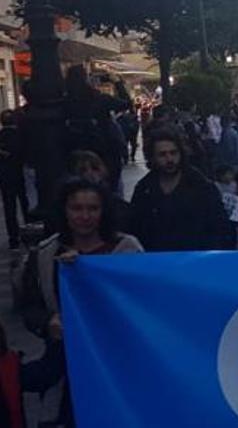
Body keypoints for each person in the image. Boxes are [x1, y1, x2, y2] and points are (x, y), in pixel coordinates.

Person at [25, 180, 144, 427]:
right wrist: (48, 322)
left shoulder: (127, 251)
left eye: (93, 208)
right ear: (64, 211)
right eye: (76, 208)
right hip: (66, 368)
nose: (85, 216)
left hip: (118, 366)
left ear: (104, 211)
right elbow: (30, 308)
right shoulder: (47, 254)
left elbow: (143, 305)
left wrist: (88, 272)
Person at [129, 129, 236, 251]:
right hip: (157, 261)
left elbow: (219, 227)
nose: (169, 159)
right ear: (152, 158)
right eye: (162, 154)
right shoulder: (144, 189)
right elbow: (135, 227)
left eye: (173, 153)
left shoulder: (201, 186)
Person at [0, 111, 29, 248]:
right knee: (26, 204)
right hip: (21, 175)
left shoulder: (0, 136)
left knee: (9, 207)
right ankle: (30, 232)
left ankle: (13, 238)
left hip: (5, 177)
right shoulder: (22, 136)